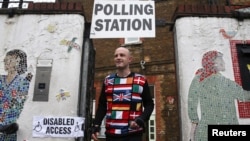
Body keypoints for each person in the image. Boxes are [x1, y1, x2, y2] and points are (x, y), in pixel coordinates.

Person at [91, 47, 154, 141]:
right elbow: (102, 106)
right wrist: (96, 125)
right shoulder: (108, 80)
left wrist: (141, 119)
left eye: (122, 55)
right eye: (116, 56)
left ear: (130, 59)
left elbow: (149, 104)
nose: (118, 57)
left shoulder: (140, 80)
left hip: (133, 134)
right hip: (111, 134)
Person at [188, 50, 250, 141]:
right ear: (214, 63)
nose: (224, 62)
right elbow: (244, 96)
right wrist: (194, 121)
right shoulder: (224, 82)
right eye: (221, 60)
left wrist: (194, 122)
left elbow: (191, 102)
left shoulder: (201, 79)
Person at [0, 49, 33, 140]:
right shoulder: (0, 79)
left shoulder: (23, 82)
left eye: (10, 60)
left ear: (18, 63)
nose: (6, 62)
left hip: (9, 126)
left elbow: (18, 103)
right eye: (5, 60)